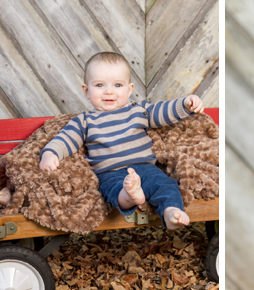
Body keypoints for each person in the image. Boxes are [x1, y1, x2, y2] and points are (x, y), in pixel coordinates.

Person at [39, 51, 204, 230]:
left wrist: (185, 104)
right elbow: (66, 138)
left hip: (145, 167)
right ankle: (129, 195)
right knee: (111, 189)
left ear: (129, 89)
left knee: (164, 184)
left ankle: (171, 212)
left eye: (117, 85)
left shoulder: (137, 111)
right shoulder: (85, 121)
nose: (109, 91)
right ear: (86, 91)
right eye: (100, 85)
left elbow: (160, 112)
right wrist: (50, 153)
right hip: (110, 172)